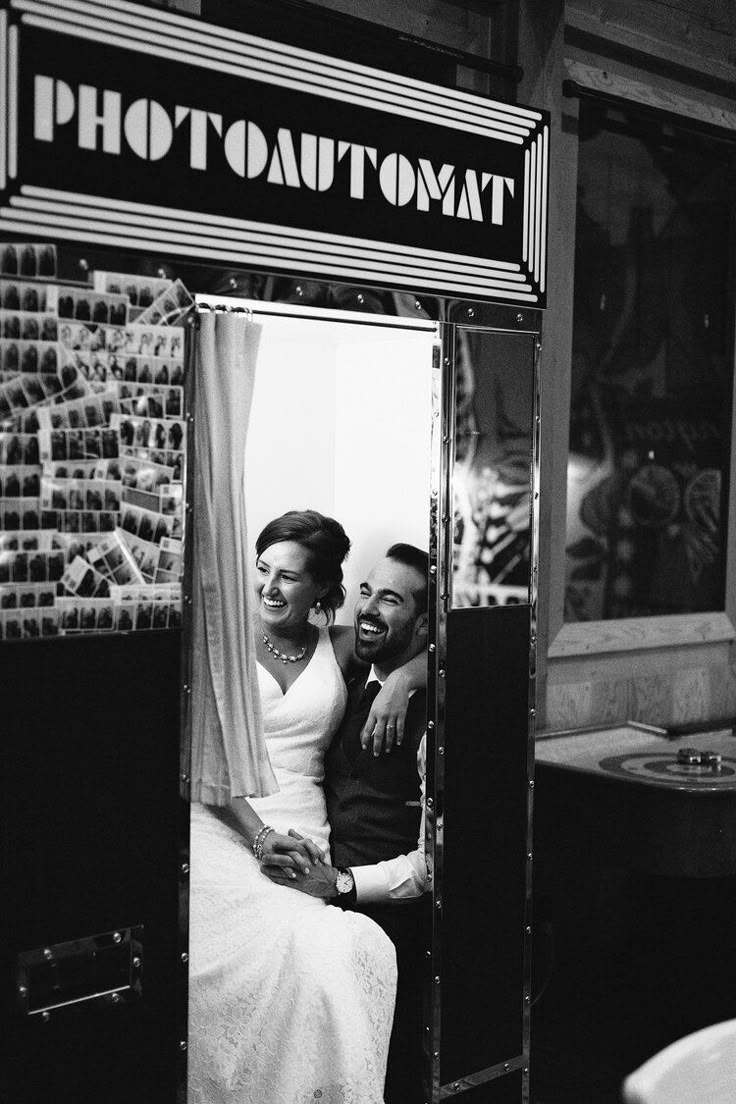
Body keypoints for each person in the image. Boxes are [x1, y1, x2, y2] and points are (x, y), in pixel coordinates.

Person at [188, 510, 425, 1104]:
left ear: (322, 588)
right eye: (262, 569)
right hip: (226, 811)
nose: (267, 587)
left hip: (304, 820)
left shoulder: (342, 645)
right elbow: (198, 755)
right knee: (229, 954)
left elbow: (448, 637)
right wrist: (260, 836)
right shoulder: (224, 639)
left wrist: (405, 680)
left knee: (330, 949)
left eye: (288, 577)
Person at [263, 543, 430, 1104]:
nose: (369, 608)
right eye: (366, 591)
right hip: (319, 877)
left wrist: (345, 886)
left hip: (381, 905)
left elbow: (438, 862)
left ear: (425, 621)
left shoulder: (437, 715)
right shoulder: (350, 674)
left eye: (390, 598)